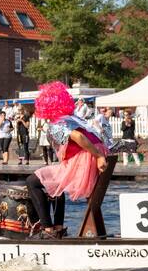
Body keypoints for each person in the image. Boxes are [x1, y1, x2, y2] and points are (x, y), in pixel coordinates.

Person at [24, 81, 110, 237]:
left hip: (84, 162)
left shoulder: (57, 123)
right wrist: (99, 154)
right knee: (54, 185)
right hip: (89, 160)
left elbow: (77, 136)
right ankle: (57, 226)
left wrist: (98, 156)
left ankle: (48, 228)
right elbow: (99, 134)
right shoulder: (75, 118)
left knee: (32, 181)